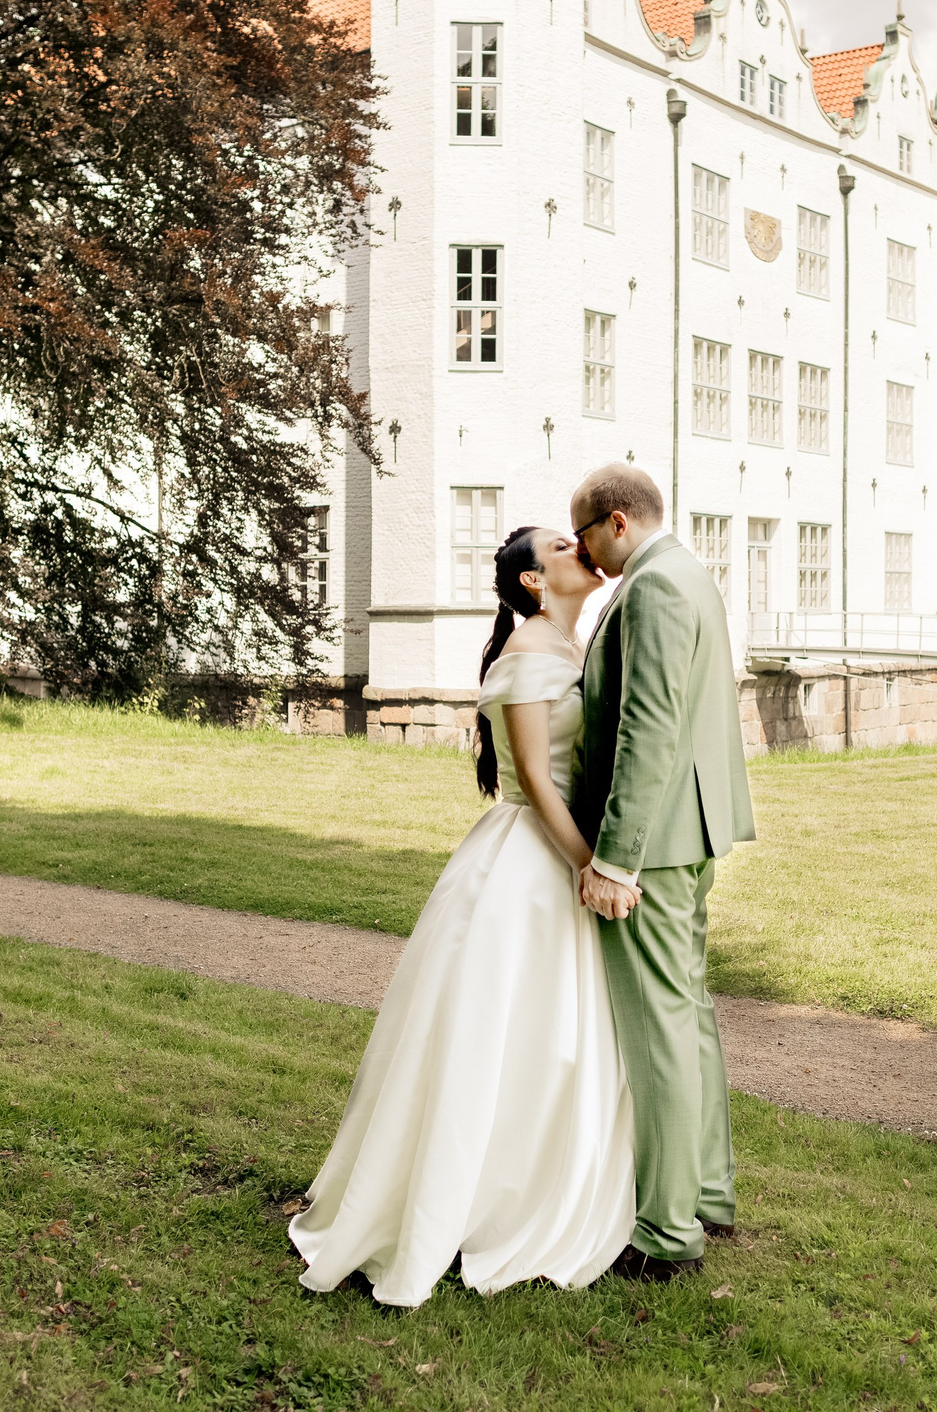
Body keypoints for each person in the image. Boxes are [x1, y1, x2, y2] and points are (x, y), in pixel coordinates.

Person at [291, 526, 634, 1305]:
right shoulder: (528, 652)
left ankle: (538, 1180)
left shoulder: (568, 645)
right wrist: (589, 863)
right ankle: (477, 1199)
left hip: (550, 849)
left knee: (550, 1032)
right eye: (560, 545)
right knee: (497, 1030)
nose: (578, 546)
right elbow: (537, 781)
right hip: (532, 857)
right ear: (533, 581)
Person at [567, 463, 757, 1281]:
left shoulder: (651, 586)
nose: (584, 554)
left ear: (616, 521)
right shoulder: (687, 572)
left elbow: (649, 724)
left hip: (656, 844)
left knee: (661, 1027)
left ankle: (666, 1232)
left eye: (583, 536)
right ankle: (706, 1190)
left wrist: (616, 856)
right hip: (692, 829)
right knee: (689, 1011)